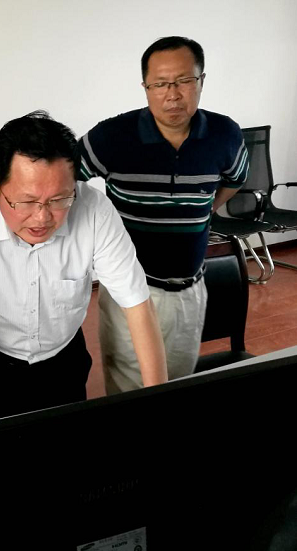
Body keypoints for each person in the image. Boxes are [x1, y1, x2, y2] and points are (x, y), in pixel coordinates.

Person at [0, 111, 167, 430]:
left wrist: (158, 401)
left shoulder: (94, 210)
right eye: (27, 202)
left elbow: (137, 306)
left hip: (61, 357)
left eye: (58, 200)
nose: (42, 218)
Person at [78, 36, 249, 394]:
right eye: (160, 84)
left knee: (179, 384)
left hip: (190, 289)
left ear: (201, 81)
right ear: (145, 87)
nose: (172, 94)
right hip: (129, 290)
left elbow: (235, 179)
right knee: (130, 392)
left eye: (184, 80)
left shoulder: (225, 135)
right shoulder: (113, 136)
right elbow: (64, 180)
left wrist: (207, 207)